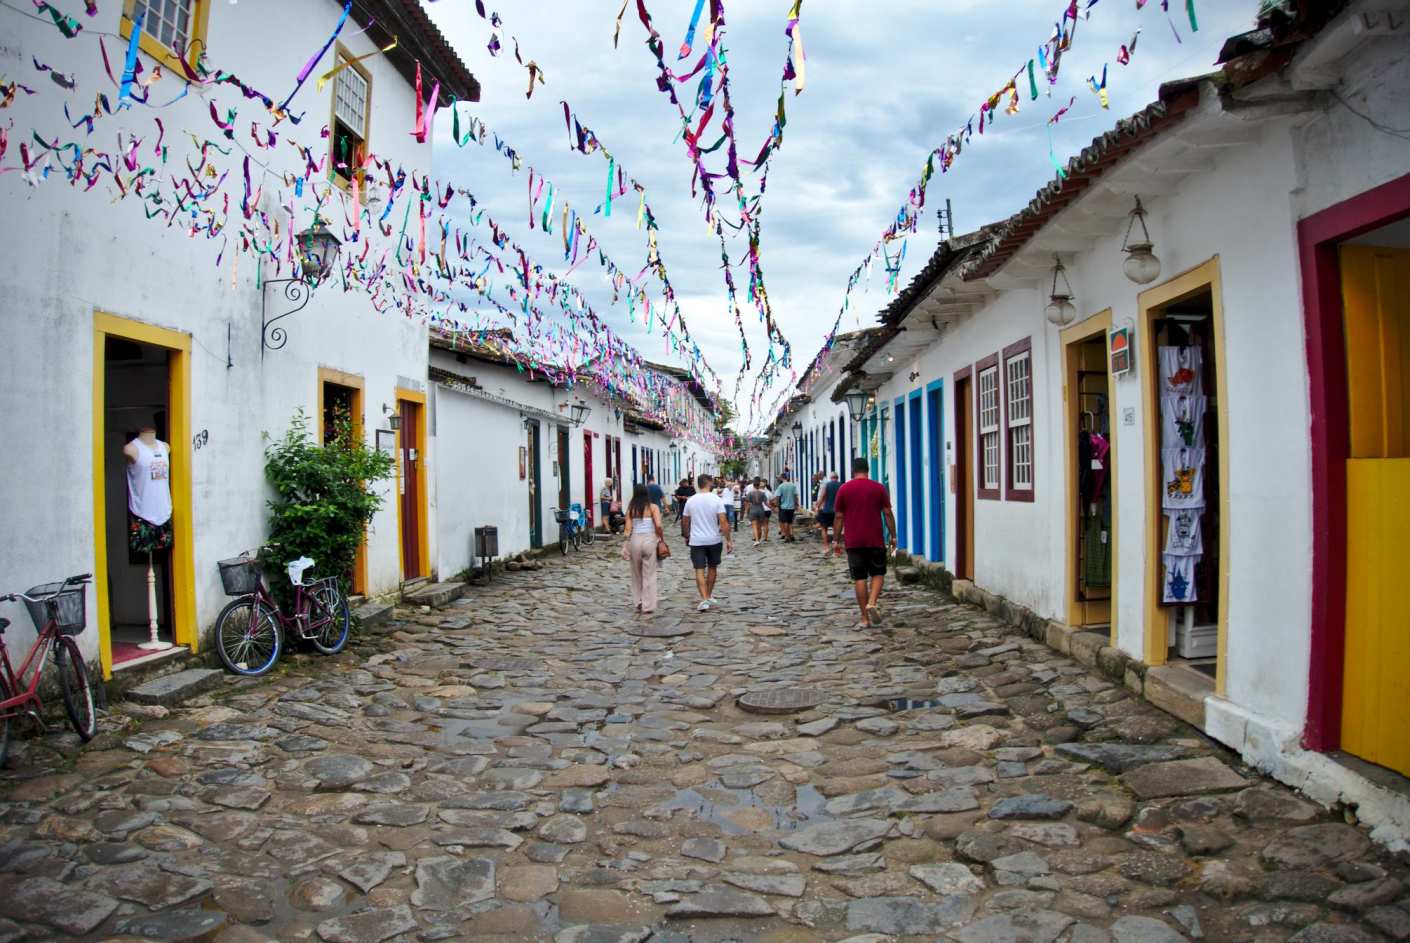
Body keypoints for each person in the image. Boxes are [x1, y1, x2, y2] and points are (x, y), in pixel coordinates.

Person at [834, 456, 897, 629]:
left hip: (853, 541)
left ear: (853, 470)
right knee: (878, 573)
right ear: (868, 470)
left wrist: (835, 540)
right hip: (875, 540)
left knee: (859, 578)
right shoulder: (878, 488)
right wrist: (893, 536)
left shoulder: (844, 489)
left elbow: (839, 517)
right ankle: (872, 602)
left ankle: (864, 618)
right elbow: (887, 513)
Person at [682, 474, 732, 611]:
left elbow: (685, 520)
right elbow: (723, 521)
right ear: (709, 483)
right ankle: (707, 595)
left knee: (699, 569)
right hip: (714, 539)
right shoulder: (716, 499)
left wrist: (686, 535)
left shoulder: (691, 500)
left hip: (697, 540)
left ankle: (705, 598)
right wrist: (728, 540)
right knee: (712, 567)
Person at [624, 483, 664, 615]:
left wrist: (625, 545)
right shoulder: (653, 507)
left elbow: (628, 529)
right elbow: (658, 525)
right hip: (649, 540)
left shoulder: (631, 508)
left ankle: (638, 601)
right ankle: (648, 605)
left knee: (636, 574)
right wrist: (660, 538)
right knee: (649, 574)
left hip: (635, 540)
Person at [815, 471, 842, 556]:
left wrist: (817, 507)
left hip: (826, 510)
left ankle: (826, 547)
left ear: (831, 478)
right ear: (837, 478)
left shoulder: (827, 485)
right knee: (836, 530)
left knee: (824, 529)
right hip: (837, 511)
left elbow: (823, 496)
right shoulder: (841, 485)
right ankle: (836, 549)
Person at [774, 472, 799, 542]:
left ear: (782, 478)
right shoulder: (793, 485)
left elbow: (778, 497)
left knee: (785, 522)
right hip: (791, 507)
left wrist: (778, 506)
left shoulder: (781, 486)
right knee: (790, 522)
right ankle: (792, 534)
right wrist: (796, 504)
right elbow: (795, 496)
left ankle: (787, 536)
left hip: (783, 507)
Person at [746, 477, 769, 546]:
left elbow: (747, 504)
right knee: (759, 526)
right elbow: (766, 503)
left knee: (754, 526)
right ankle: (758, 539)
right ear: (759, 485)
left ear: (753, 485)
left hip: (753, 509)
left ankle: (756, 540)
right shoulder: (762, 493)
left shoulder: (750, 493)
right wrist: (772, 508)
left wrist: (747, 512)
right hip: (761, 509)